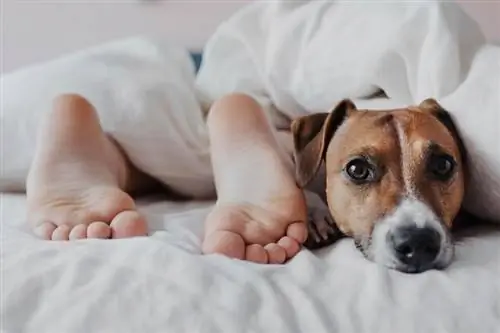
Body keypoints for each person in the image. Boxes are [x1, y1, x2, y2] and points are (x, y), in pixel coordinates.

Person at [27, 92, 308, 265]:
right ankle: (239, 119)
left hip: (140, 142)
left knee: (127, 159)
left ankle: (96, 153)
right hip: (247, 134)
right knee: (284, 142)